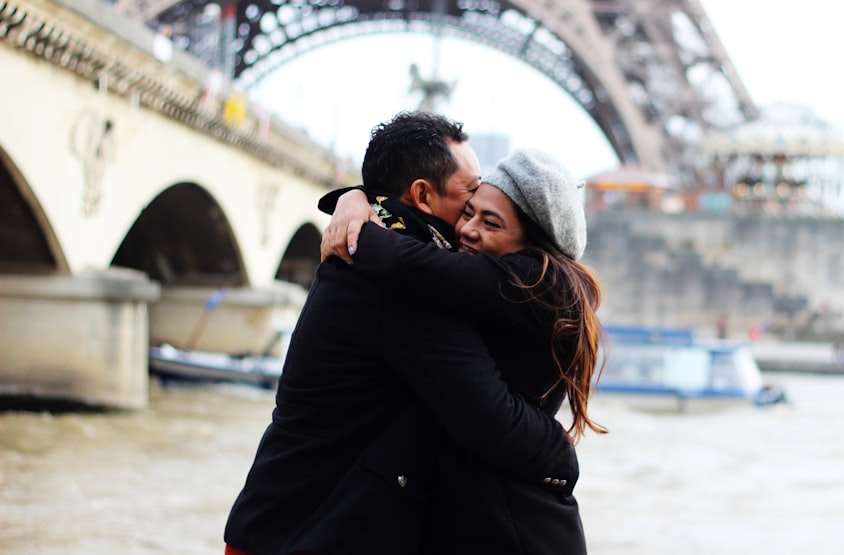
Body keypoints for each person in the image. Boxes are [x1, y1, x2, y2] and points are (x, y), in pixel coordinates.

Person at [224, 112, 579, 555]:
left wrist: (354, 199)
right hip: (312, 532)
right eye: (470, 197)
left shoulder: (374, 255)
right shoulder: (406, 289)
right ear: (423, 195)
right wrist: (560, 455)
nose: (470, 221)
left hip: (281, 523)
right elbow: (489, 420)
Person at [326, 147, 607, 552]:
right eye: (469, 212)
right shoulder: (508, 288)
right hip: (498, 517)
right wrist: (355, 197)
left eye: (490, 222)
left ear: (532, 245)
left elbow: (410, 263)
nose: (467, 229)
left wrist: (355, 216)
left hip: (516, 528)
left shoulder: (534, 280)